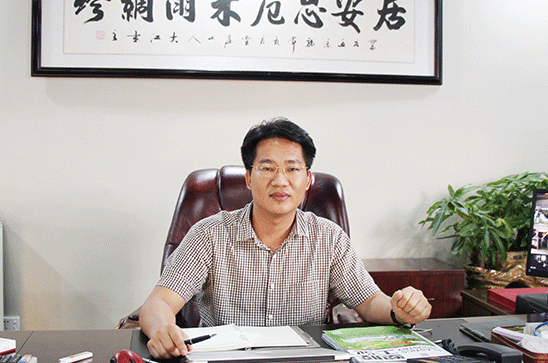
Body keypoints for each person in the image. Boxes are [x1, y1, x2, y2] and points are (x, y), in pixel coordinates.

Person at [139, 118, 432, 359]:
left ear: (307, 179)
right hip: (227, 358)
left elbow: (368, 302)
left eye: (292, 169)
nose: (280, 181)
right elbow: (159, 302)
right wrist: (163, 330)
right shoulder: (209, 234)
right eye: (267, 168)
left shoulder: (328, 237)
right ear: (248, 178)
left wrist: (399, 311)